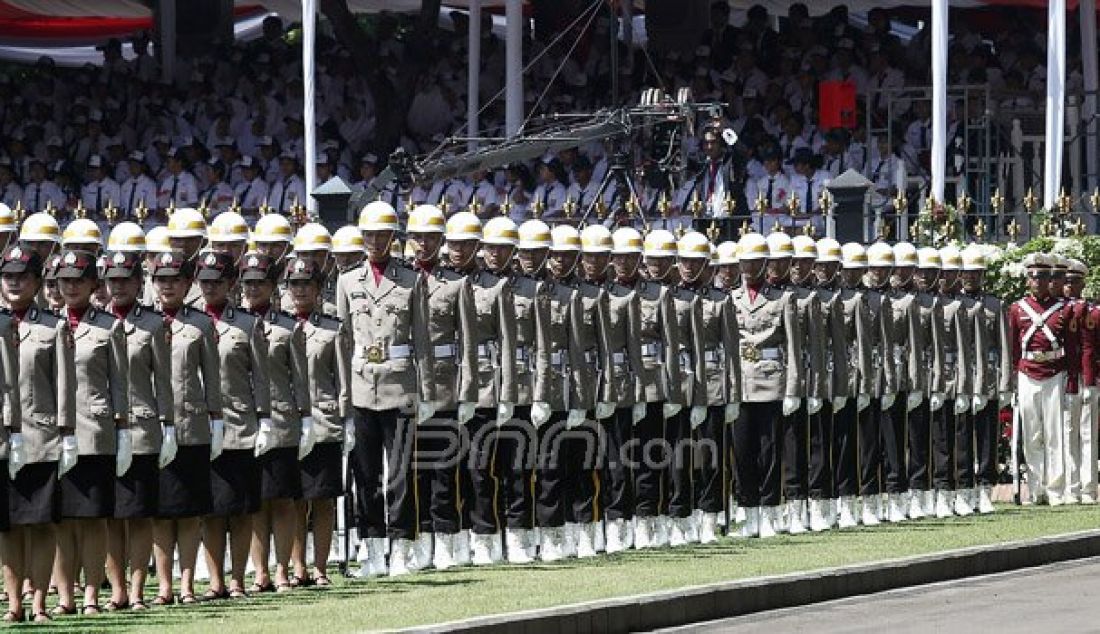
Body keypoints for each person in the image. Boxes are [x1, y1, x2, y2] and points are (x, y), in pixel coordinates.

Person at [336, 201, 434, 577]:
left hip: (400, 385)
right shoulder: (347, 281)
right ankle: (373, 550)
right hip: (362, 388)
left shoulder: (411, 281)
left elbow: (422, 341)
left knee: (400, 473)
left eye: (382, 235)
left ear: (393, 238)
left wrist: (423, 392)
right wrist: (344, 398)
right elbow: (343, 343)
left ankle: (403, 547)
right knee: (365, 473)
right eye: (369, 235)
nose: (374, 241)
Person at [50, 249, 128, 616]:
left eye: (78, 280)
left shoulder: (108, 326)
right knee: (62, 521)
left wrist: (124, 431)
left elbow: (120, 384)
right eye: (64, 280)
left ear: (93, 283)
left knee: (95, 520)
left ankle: (94, 595)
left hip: (96, 433)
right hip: (54, 435)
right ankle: (65, 596)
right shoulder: (46, 324)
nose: (70, 286)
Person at [1, 244, 70, 624]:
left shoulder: (53, 326)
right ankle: (13, 603)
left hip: (40, 438)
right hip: (0, 440)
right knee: (8, 529)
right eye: (8, 276)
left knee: (41, 525)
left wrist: (68, 435)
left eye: (22, 277)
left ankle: (41, 603)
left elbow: (64, 384)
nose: (14, 283)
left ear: (38, 283)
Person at [194, 251, 269, 600]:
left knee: (239, 510)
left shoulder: (248, 324)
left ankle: (238, 579)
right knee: (210, 511)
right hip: (201, 425)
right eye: (204, 281)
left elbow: (262, 377)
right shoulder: (188, 322)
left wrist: (266, 419)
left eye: (217, 281)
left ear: (231, 284)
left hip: (240, 424)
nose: (210, 287)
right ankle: (215, 581)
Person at [407, 204, 477, 572]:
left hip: (446, 384)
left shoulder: (456, 282)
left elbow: (467, 341)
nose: (423, 244)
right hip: (407, 386)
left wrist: (468, 391)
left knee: (445, 467)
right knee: (413, 469)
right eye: (417, 237)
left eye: (431, 238)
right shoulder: (401, 279)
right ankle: (419, 540)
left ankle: (449, 537)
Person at [103, 247, 172, 612]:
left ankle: (138, 588)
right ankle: (115, 589)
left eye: (125, 280)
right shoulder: (95, 322)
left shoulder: (152, 323)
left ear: (137, 282)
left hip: (143, 428)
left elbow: (163, 381)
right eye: (112, 280)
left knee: (140, 514)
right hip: (101, 430)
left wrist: (169, 426)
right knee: (112, 517)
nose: (118, 287)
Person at [151, 250, 220, 606]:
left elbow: (211, 377)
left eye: (175, 279)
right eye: (162, 279)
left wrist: (217, 420)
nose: (168, 286)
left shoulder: (201, 324)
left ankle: (188, 583)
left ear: (187, 283)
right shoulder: (141, 323)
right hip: (152, 427)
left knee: (191, 512)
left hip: (191, 425)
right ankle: (164, 586)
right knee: (161, 514)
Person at [239, 253, 309, 592]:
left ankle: (283, 569)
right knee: (253, 502)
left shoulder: (286, 326)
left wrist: (307, 419)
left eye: (260, 282)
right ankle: (259, 571)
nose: (253, 289)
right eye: (248, 282)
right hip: (243, 422)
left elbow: (300, 378)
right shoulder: (231, 323)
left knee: (281, 500)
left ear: (271, 285)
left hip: (281, 421)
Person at [730, 233, 801, 538]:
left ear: (764, 263)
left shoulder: (782, 299)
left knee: (770, 450)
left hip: (772, 380)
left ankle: (771, 510)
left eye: (754, 261)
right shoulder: (732, 299)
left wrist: (793, 389)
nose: (749, 267)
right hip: (743, 381)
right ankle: (749, 512)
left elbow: (795, 348)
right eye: (744, 261)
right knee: (742, 451)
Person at [287, 256, 351, 587]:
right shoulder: (278, 326)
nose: (299, 290)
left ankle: (321, 567)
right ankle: (297, 566)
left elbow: (343, 380)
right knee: (295, 500)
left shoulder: (332, 329)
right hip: (289, 423)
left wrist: (347, 420)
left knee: (322, 499)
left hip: (324, 421)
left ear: (318, 288)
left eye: (306, 284)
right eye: (294, 284)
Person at [462, 213, 519, 563]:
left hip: (485, 384)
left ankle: (487, 533)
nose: (495, 255)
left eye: (503, 249)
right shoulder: (444, 282)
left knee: (485, 467)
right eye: (491, 249)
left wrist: (507, 393)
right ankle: (459, 533)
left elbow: (507, 343)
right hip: (447, 387)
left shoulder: (495, 288)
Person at [1009, 253, 1081, 505]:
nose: (1037, 282)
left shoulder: (1063, 309)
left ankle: (1055, 489)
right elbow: (1013, 347)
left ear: (1050, 279)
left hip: (1055, 373)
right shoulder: (1018, 309)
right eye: (1033, 277)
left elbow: (1071, 348)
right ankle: (1036, 488)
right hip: (1027, 372)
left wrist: (1072, 379)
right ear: (1028, 280)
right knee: (1031, 434)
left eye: (1042, 277)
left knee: (1055, 433)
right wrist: (1012, 378)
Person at [765, 231, 822, 534]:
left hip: (796, 378)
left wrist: (809, 385)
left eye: (791, 262)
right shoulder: (762, 294)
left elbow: (813, 345)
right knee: (769, 444)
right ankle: (772, 505)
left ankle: (798, 503)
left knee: (798, 443)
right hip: (766, 378)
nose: (790, 267)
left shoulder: (806, 297)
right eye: (775, 261)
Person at [628, 230, 681, 547]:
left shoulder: (658, 295)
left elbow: (671, 346)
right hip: (618, 384)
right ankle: (626, 517)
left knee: (652, 454)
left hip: (651, 381)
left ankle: (652, 517)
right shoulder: (608, 292)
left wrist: (671, 388)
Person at [962, 246, 1012, 512]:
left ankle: (984, 486)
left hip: (988, 379)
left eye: (975, 273)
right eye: (966, 273)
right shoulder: (953, 303)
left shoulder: (994, 304)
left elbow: (1004, 345)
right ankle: (964, 486)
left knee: (986, 436)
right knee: (961, 435)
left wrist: (1005, 384)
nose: (970, 278)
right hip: (960, 379)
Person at [933, 246, 973, 517]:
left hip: (957, 377)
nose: (946, 279)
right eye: (942, 273)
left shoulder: (962, 306)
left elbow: (967, 350)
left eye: (951, 273)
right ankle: (941, 492)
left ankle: (963, 491)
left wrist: (966, 385)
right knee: (937, 438)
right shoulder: (930, 303)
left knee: (961, 436)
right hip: (932, 378)